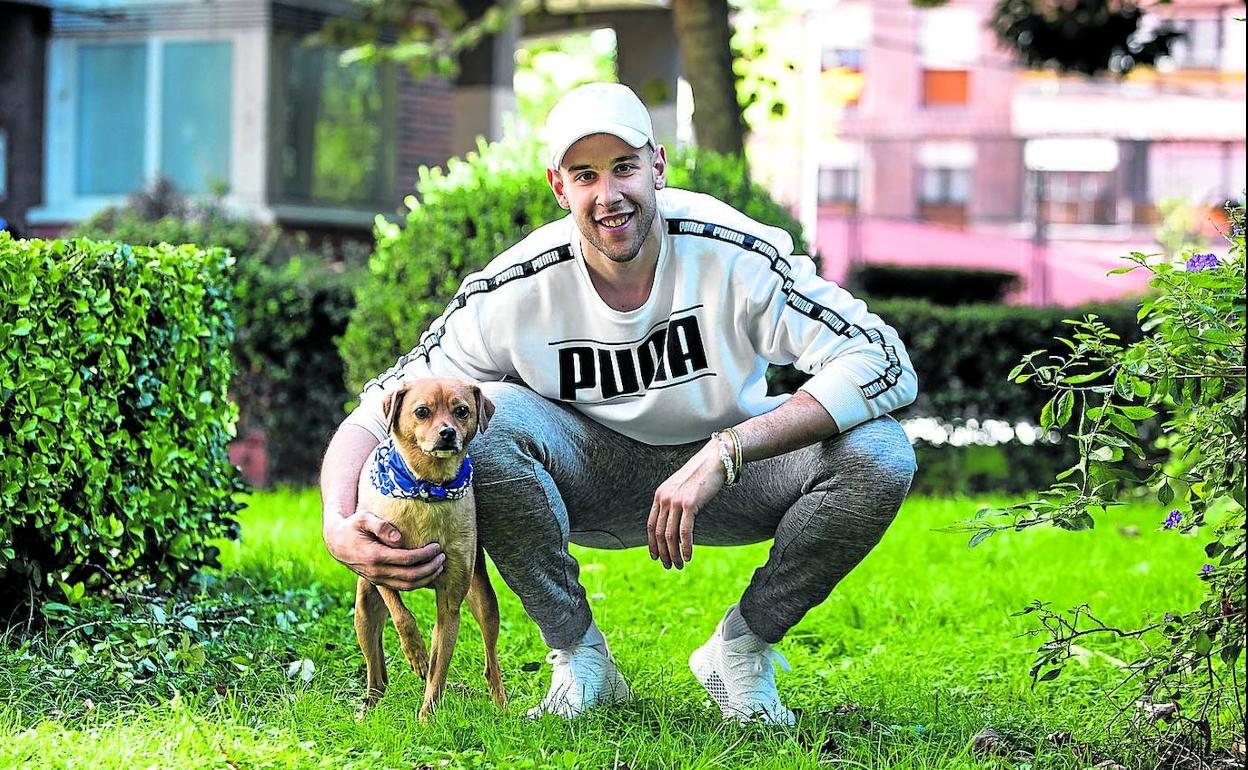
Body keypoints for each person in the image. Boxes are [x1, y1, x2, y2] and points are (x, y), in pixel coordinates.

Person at [320, 82, 918, 725]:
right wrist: (337, 522)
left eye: (625, 168)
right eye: (585, 175)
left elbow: (883, 362)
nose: (609, 196)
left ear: (657, 165)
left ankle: (741, 651)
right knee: (485, 423)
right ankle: (580, 657)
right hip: (581, 476)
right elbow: (378, 407)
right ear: (559, 187)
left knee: (880, 452)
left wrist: (728, 450)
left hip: (724, 478)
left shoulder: (731, 251)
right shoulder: (518, 283)